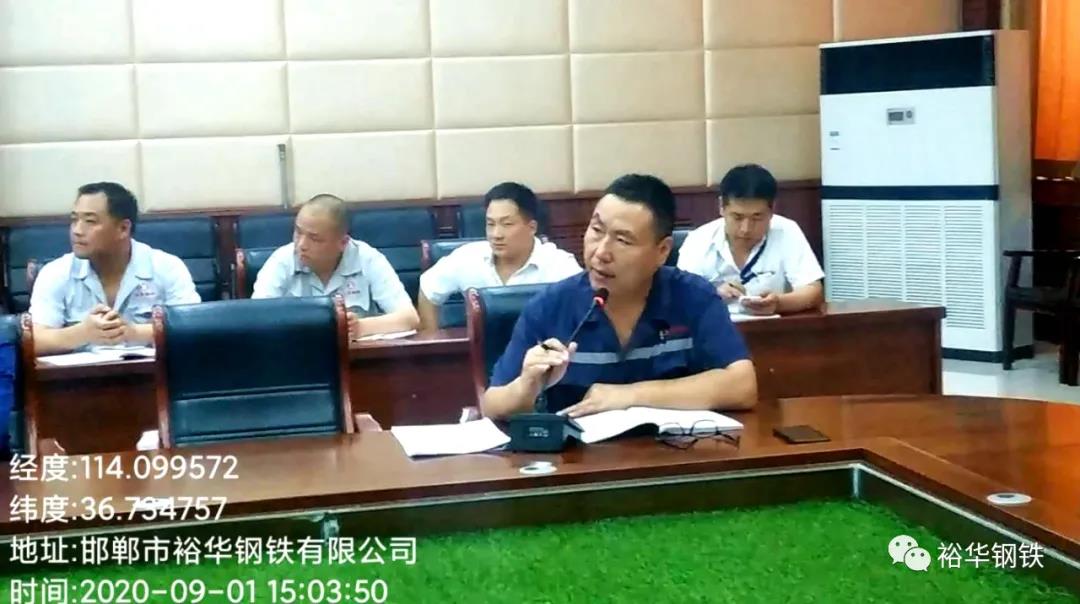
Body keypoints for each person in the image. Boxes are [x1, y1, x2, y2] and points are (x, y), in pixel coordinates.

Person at [481, 174, 757, 420]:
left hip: (675, 454)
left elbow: (742, 386)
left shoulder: (694, 297)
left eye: (623, 240)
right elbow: (492, 405)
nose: (601, 252)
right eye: (596, 230)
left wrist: (629, 396)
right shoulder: (550, 307)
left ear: (662, 251)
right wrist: (527, 386)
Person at [29, 182, 201, 355]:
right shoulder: (55, 273)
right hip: (82, 372)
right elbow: (34, 341)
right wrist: (82, 333)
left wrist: (134, 333)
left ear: (123, 228)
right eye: (74, 220)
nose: (77, 230)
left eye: (90, 221)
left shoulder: (167, 267)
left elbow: (194, 329)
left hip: (151, 371)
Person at [252, 193, 419, 338]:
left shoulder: (367, 258)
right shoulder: (282, 260)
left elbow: (410, 318)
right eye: (298, 232)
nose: (301, 245)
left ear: (343, 243)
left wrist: (360, 327)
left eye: (314, 238)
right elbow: (256, 319)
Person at [418, 182, 581, 330]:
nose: (496, 234)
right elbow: (428, 289)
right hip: (481, 350)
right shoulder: (468, 257)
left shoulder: (559, 265)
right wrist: (431, 339)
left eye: (507, 224)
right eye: (490, 224)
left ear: (532, 227)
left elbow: (584, 305)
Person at [677, 164, 824, 316]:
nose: (746, 229)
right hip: (714, 327)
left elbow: (813, 291)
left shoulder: (786, 231)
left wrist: (778, 303)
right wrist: (712, 294)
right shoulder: (699, 240)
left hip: (771, 326)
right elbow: (680, 296)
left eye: (757, 217)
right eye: (737, 217)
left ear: (772, 209)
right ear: (721, 206)